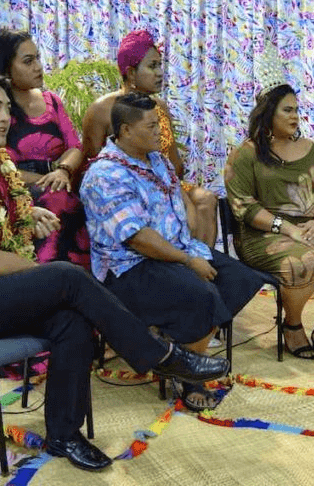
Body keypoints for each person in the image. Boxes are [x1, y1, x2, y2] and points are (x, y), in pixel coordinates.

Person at [0, 71, 230, 472]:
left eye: (7, 108)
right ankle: (160, 355)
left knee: (73, 321)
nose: (6, 117)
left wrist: (28, 212)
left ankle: (63, 433)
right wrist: (42, 277)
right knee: (66, 277)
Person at [80, 93, 264, 410]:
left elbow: (180, 199)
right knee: (202, 294)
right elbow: (138, 239)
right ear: (125, 130)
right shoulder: (104, 175)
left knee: (239, 279)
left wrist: (191, 241)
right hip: (130, 268)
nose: (160, 133)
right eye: (152, 126)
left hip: (175, 251)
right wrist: (188, 260)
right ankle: (188, 375)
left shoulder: (158, 160)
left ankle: (181, 352)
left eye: (160, 124)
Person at [225, 83, 314, 368]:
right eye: (287, 110)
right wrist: (289, 229)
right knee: (302, 262)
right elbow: (244, 207)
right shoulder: (245, 154)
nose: (295, 116)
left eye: (296, 110)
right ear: (268, 113)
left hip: (307, 229)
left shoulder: (309, 149)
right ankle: (292, 325)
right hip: (262, 236)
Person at [81, 30, 218, 247]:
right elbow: (91, 167)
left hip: (166, 182)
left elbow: (175, 163)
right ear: (131, 73)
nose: (160, 73)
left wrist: (171, 188)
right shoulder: (101, 110)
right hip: (125, 189)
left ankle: (204, 259)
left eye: (160, 65)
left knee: (206, 199)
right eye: (152, 66)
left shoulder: (159, 107)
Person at [0, 28, 90, 267]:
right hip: (15, 193)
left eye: (38, 58)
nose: (38, 67)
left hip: (60, 184)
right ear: (5, 69)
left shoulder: (52, 101)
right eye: (28, 61)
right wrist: (44, 181)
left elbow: (75, 147)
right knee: (57, 201)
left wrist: (62, 171)